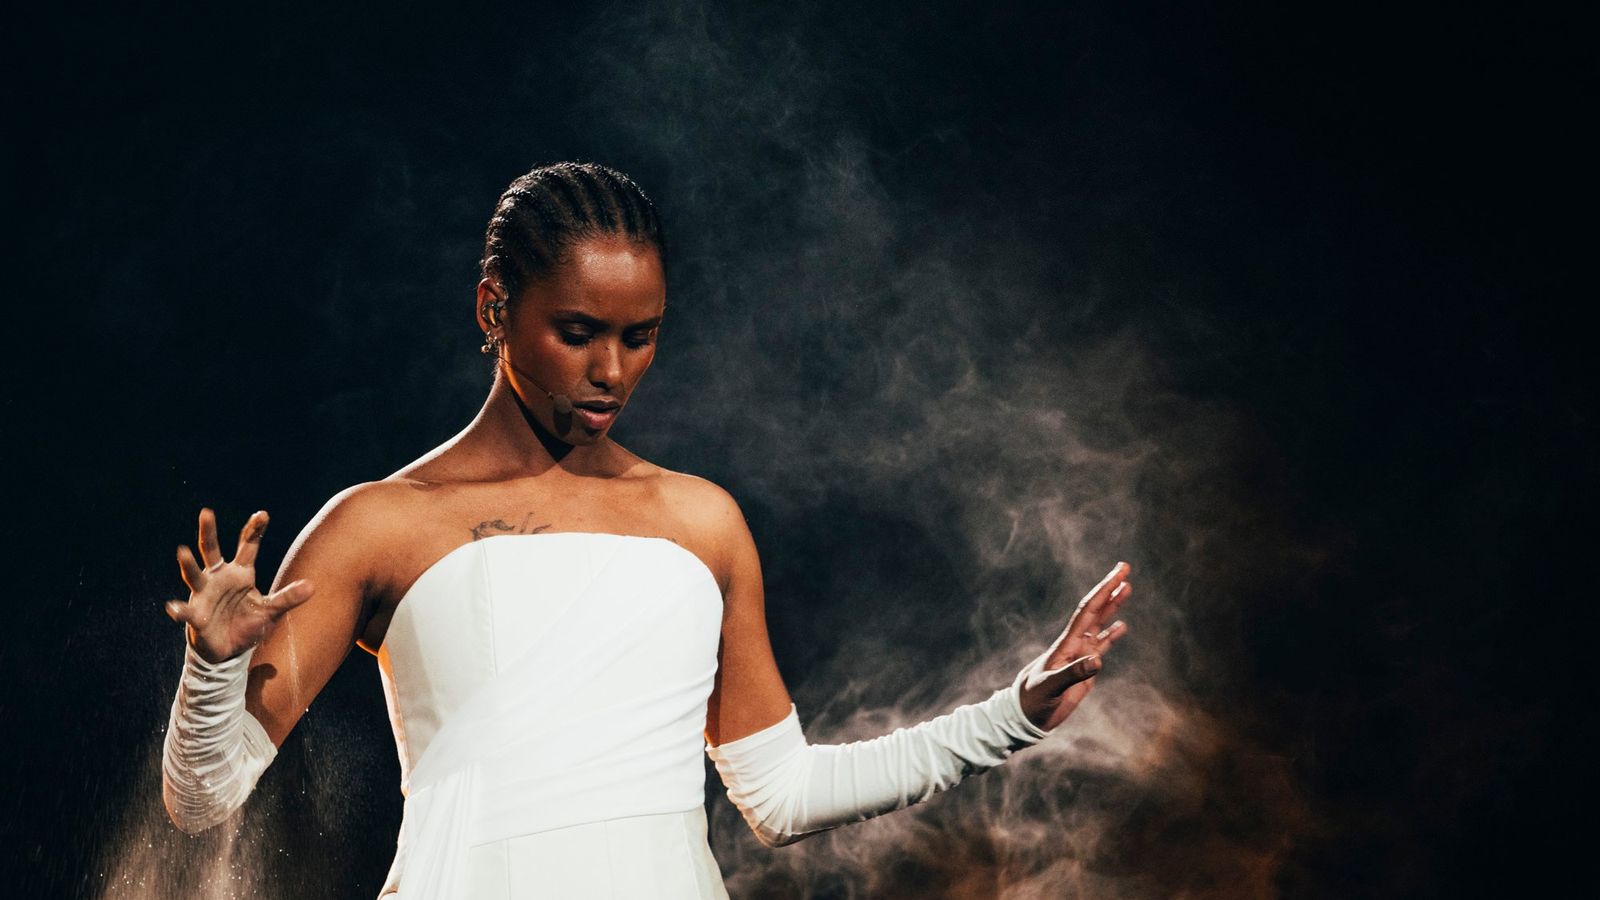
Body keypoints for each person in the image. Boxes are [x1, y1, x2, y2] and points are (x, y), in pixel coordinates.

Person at [159, 161, 1133, 899]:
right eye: (577, 331)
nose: (612, 371)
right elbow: (202, 800)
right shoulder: (380, 524)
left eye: (641, 335)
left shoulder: (698, 521)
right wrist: (211, 669)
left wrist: (1010, 717)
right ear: (494, 309)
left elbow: (779, 795)